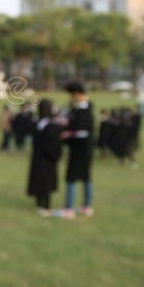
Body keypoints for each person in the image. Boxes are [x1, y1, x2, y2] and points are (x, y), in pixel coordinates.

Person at [58, 82, 95, 219]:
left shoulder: (84, 111)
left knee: (73, 177)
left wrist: (69, 133)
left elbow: (84, 131)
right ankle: (87, 205)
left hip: (81, 148)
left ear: (77, 94)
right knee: (85, 177)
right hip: (82, 148)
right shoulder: (80, 109)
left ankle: (69, 208)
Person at [27, 99, 63, 217]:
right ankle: (45, 205)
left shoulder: (38, 122)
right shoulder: (50, 125)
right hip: (47, 157)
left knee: (40, 180)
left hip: (38, 156)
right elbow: (53, 143)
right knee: (46, 181)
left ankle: (39, 202)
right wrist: (56, 155)